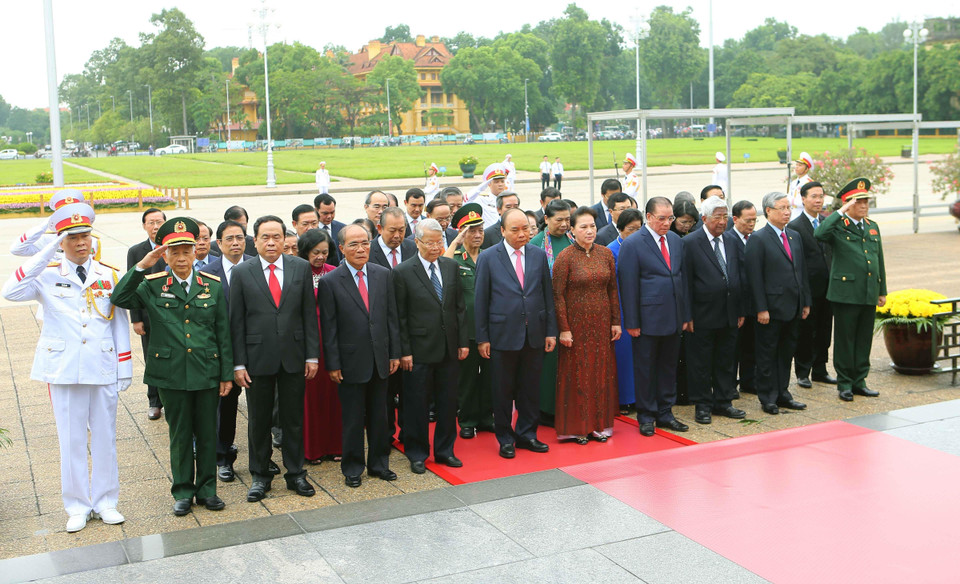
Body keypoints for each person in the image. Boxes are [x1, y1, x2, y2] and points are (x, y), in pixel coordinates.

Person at [2, 203, 131, 533]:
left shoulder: (109, 274)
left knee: (105, 437)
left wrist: (125, 366)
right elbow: (11, 291)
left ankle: (106, 501)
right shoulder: (46, 275)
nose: (81, 242)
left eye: (85, 235)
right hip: (64, 368)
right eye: (72, 237)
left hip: (102, 364)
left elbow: (118, 322)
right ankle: (77, 505)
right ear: (61, 241)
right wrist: (47, 251)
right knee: (71, 440)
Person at [112, 217, 234, 517]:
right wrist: (142, 265)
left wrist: (226, 374)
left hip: (206, 370)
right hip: (171, 373)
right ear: (165, 256)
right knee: (180, 434)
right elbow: (120, 297)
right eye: (174, 253)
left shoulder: (212, 286)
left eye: (186, 252)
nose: (181, 258)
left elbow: (222, 332)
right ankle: (183, 491)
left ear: (195, 253)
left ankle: (207, 490)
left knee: (207, 433)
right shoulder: (153, 285)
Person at [230, 215, 320, 502]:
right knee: (259, 420)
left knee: (293, 419)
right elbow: (236, 321)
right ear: (254, 241)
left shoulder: (300, 267)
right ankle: (260, 475)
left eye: (277, 237)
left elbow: (308, 314)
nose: (271, 242)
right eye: (265, 237)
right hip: (257, 358)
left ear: (285, 239)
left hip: (294, 355)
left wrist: (312, 355)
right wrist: (238, 364)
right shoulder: (242, 272)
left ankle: (296, 473)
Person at [317, 224, 400, 488]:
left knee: (380, 415)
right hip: (350, 361)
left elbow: (391, 318)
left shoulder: (382, 274)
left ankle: (379, 464)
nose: (361, 248)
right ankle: (353, 467)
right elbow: (329, 327)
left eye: (365, 242)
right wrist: (333, 363)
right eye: (354, 244)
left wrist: (394, 353)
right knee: (353, 419)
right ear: (341, 249)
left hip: (380, 358)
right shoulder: (331, 281)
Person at [475, 208, 557, 458]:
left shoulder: (538, 255)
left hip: (534, 333)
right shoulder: (489, 257)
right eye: (515, 230)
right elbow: (481, 300)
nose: (522, 234)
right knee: (502, 391)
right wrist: (482, 337)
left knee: (530, 389)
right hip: (502, 334)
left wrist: (550, 331)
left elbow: (547, 295)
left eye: (526, 229)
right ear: (502, 231)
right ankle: (505, 438)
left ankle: (527, 434)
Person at [394, 219, 468, 473]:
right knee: (417, 404)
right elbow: (400, 316)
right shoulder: (403, 271)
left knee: (448, 403)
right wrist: (404, 351)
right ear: (417, 242)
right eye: (430, 243)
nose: (436, 247)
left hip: (448, 347)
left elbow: (459, 308)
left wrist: (462, 342)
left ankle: (445, 451)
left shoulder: (450, 266)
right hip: (418, 350)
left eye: (440, 242)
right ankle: (417, 453)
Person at [618, 196, 692, 437]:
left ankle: (665, 412)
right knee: (646, 369)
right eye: (661, 218)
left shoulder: (676, 241)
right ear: (648, 217)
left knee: (668, 367)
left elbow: (682, 280)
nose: (667, 223)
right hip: (647, 319)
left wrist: (685, 315)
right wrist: (632, 322)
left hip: (673, 317)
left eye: (670, 218)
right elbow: (628, 286)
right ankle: (647, 415)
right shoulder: (633, 243)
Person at [553, 207, 621, 444]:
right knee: (578, 374)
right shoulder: (565, 257)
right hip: (576, 325)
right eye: (583, 227)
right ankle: (578, 427)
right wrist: (564, 328)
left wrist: (616, 321)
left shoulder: (605, 254)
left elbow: (612, 289)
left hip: (602, 323)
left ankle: (598, 425)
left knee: (600, 372)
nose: (589, 231)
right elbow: (558, 295)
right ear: (572, 230)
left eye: (592, 226)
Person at [815, 178, 887, 402]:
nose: (864, 206)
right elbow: (819, 234)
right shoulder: (838, 225)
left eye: (866, 202)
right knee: (845, 340)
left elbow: (879, 260)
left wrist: (882, 290)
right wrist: (840, 212)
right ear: (848, 204)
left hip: (868, 291)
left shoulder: (872, 226)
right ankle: (845, 382)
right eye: (858, 202)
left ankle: (859, 381)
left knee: (864, 339)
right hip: (846, 293)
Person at [682, 196, 747, 425]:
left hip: (729, 312)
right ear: (704, 218)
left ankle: (723, 401)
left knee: (726, 359)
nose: (722, 221)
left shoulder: (731, 240)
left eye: (725, 216)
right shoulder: (690, 242)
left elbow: (739, 276)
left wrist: (741, 309)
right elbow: (685, 282)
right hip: (702, 314)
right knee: (701, 362)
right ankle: (702, 404)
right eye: (717, 217)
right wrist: (687, 315)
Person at [745, 192, 811, 415]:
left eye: (788, 208)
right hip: (770, 309)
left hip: (793, 306)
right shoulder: (759, 238)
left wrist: (805, 301)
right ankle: (768, 397)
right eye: (781, 208)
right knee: (767, 354)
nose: (786, 212)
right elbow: (754, 278)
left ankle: (783, 392)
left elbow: (801, 271)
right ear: (768, 211)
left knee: (786, 353)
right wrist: (761, 308)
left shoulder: (794, 236)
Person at [203, 220, 252, 483]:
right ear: (219, 243)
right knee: (225, 406)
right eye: (229, 239)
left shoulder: (256, 265)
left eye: (240, 238)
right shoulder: (207, 273)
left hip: (255, 347)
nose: (235, 243)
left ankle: (261, 457)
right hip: (222, 350)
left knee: (262, 406)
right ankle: (223, 458)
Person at [444, 204, 494, 438]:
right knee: (467, 378)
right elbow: (442, 270)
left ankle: (486, 417)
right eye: (471, 231)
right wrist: (455, 243)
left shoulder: (489, 256)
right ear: (461, 233)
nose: (477, 235)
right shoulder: (455, 258)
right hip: (466, 331)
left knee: (490, 377)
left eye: (480, 230)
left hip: (490, 329)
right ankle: (467, 420)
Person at [297, 228, 342, 463]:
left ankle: (335, 445)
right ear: (306, 251)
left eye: (325, 252)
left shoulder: (334, 272)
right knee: (311, 398)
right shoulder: (297, 272)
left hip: (332, 340)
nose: (321, 257)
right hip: (307, 341)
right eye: (316, 252)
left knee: (334, 395)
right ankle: (312, 449)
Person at [788, 181, 836, 389]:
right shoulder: (795, 226)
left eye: (821, 196)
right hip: (808, 288)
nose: (818, 200)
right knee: (806, 332)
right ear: (803, 199)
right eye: (814, 196)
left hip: (828, 288)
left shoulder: (827, 223)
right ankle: (802, 371)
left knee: (825, 330)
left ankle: (820, 369)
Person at [529, 199, 573, 425]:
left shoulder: (573, 240)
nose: (564, 224)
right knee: (548, 363)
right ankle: (545, 409)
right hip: (546, 312)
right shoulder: (536, 244)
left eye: (568, 219)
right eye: (559, 220)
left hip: (572, 311)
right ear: (546, 219)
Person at [126, 207, 167, 420]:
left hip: (172, 314)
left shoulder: (173, 247)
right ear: (144, 226)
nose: (155, 226)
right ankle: (154, 401)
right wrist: (136, 319)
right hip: (148, 316)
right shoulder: (136, 251)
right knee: (152, 358)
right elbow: (131, 285)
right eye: (151, 222)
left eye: (159, 222)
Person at [608, 208, 644, 413]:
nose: (635, 233)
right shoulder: (611, 250)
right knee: (624, 355)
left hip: (642, 305)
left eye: (639, 229)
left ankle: (640, 396)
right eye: (631, 229)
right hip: (621, 306)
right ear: (620, 229)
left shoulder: (644, 246)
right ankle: (624, 399)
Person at [10, 189, 100, 261]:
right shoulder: (47, 240)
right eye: (64, 212)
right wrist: (46, 224)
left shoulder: (93, 240)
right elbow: (17, 249)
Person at [728, 201, 758, 396]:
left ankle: (749, 381)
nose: (752, 224)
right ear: (736, 219)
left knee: (751, 345)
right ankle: (730, 385)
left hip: (754, 303)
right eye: (748, 220)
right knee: (733, 348)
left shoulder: (756, 238)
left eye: (755, 220)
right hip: (736, 303)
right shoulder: (727, 239)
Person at [464, 163, 508, 228]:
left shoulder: (508, 199)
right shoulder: (483, 199)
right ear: (489, 184)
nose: (500, 184)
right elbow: (466, 200)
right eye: (496, 182)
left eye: (502, 181)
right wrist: (480, 188)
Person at [314, 193, 345, 266]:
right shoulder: (311, 230)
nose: (329, 216)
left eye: (332, 212)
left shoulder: (343, 229)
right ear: (316, 210)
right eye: (325, 213)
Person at [787, 152, 814, 220]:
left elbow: (807, 202)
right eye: (796, 165)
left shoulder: (809, 183)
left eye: (800, 165)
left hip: (803, 214)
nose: (797, 167)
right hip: (793, 214)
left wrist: (792, 201)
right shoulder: (793, 183)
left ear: (806, 169)